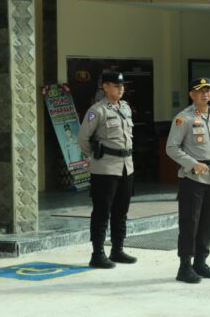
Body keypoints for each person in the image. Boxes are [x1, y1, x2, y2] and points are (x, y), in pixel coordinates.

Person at [166, 78, 210, 284]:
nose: (205, 94)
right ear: (191, 94)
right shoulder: (184, 118)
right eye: (200, 91)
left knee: (208, 222)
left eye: (208, 90)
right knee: (190, 223)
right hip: (193, 179)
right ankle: (184, 267)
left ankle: (201, 262)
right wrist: (191, 163)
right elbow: (171, 148)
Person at [78, 70, 136, 269]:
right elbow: (83, 139)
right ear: (105, 87)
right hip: (105, 168)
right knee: (102, 212)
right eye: (116, 85)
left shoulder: (126, 108)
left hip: (126, 167)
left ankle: (117, 250)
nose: (121, 89)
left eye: (122, 86)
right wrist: (94, 157)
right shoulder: (97, 110)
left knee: (121, 211)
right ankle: (98, 254)